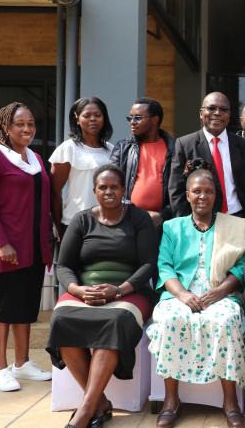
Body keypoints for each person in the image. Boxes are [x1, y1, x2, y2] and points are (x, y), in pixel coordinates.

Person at [47, 164, 158, 428]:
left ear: (124, 190)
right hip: (84, 291)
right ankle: (99, 402)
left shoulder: (139, 219)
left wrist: (119, 290)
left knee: (116, 321)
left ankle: (85, 410)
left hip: (129, 292)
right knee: (61, 319)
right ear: (94, 190)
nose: (109, 191)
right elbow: (63, 266)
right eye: (103, 187)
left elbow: (148, 264)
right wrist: (76, 290)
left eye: (114, 187)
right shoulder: (81, 220)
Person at [148, 161, 245, 428]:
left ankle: (230, 402)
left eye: (208, 191)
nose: (203, 196)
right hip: (180, 295)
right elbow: (164, 266)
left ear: (216, 195)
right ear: (188, 195)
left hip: (221, 294)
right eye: (197, 191)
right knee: (170, 321)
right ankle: (172, 400)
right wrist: (182, 295)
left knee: (225, 321)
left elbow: (242, 265)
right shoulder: (172, 227)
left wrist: (220, 291)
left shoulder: (234, 226)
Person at [0, 102, 53, 392]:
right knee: (4, 307)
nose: (27, 129)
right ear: (6, 126)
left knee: (26, 305)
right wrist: (2, 242)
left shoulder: (35, 158)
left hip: (33, 246)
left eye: (31, 124)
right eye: (20, 124)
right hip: (6, 247)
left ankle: (22, 363)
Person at [168, 92, 245, 235]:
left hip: (237, 220)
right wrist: (186, 226)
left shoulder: (244, 146)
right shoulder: (184, 144)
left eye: (223, 110)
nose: (217, 113)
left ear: (229, 115)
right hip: (201, 223)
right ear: (201, 113)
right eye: (211, 108)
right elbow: (176, 190)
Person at [50, 97, 114, 240]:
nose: (93, 119)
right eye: (87, 115)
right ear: (77, 119)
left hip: (108, 223)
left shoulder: (112, 150)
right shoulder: (68, 148)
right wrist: (59, 228)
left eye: (98, 115)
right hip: (75, 222)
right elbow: (54, 192)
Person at [110, 96, 175, 228]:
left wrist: (163, 215)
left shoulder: (174, 149)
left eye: (138, 118)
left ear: (155, 120)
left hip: (162, 223)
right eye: (130, 118)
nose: (132, 122)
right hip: (128, 220)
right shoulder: (123, 148)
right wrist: (128, 211)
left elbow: (180, 190)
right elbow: (112, 183)